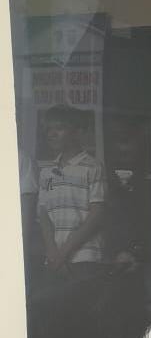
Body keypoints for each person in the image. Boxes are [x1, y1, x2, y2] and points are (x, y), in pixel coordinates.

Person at [37, 104, 107, 280]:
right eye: (48, 129)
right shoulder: (46, 171)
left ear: (76, 131)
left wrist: (64, 253)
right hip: (54, 259)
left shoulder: (92, 167)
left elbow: (97, 215)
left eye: (59, 128)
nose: (52, 134)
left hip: (84, 258)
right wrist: (52, 251)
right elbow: (43, 214)